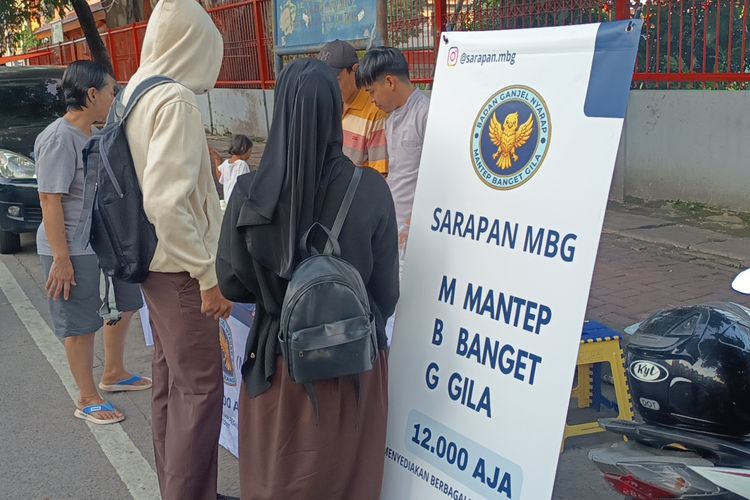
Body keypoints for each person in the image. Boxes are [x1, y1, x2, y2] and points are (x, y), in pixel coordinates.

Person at [216, 59, 399, 500]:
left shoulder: (249, 193)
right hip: (355, 362)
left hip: (280, 364)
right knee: (352, 481)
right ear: (335, 111)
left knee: (281, 482)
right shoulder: (370, 189)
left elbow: (232, 285)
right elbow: (387, 293)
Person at [119, 0, 232, 497]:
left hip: (151, 266)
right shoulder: (177, 100)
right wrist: (207, 276)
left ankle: (178, 488)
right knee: (200, 392)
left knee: (170, 387)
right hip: (182, 273)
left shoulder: (136, 89)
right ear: (195, 43)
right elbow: (167, 202)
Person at [36, 60, 150, 426]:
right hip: (70, 245)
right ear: (91, 94)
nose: (115, 97)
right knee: (80, 323)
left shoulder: (94, 133)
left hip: (102, 241)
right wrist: (61, 259)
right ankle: (87, 397)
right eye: (112, 91)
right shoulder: (59, 138)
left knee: (126, 302)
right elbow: (49, 200)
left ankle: (113, 372)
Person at [358, 46, 430, 262]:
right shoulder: (390, 121)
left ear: (389, 82)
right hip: (394, 222)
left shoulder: (425, 114)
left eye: (372, 91)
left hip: (416, 228)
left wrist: (415, 222)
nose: (372, 100)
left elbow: (435, 179)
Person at [318, 39, 389, 176]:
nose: (329, 86)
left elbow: (379, 176)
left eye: (336, 80)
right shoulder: (326, 106)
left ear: (355, 71)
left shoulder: (375, 112)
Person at [212, 134, 253, 201]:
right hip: (238, 201)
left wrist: (217, 160)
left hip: (228, 200)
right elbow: (244, 183)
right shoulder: (242, 164)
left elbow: (220, 179)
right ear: (243, 149)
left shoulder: (226, 163)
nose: (250, 155)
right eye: (249, 152)